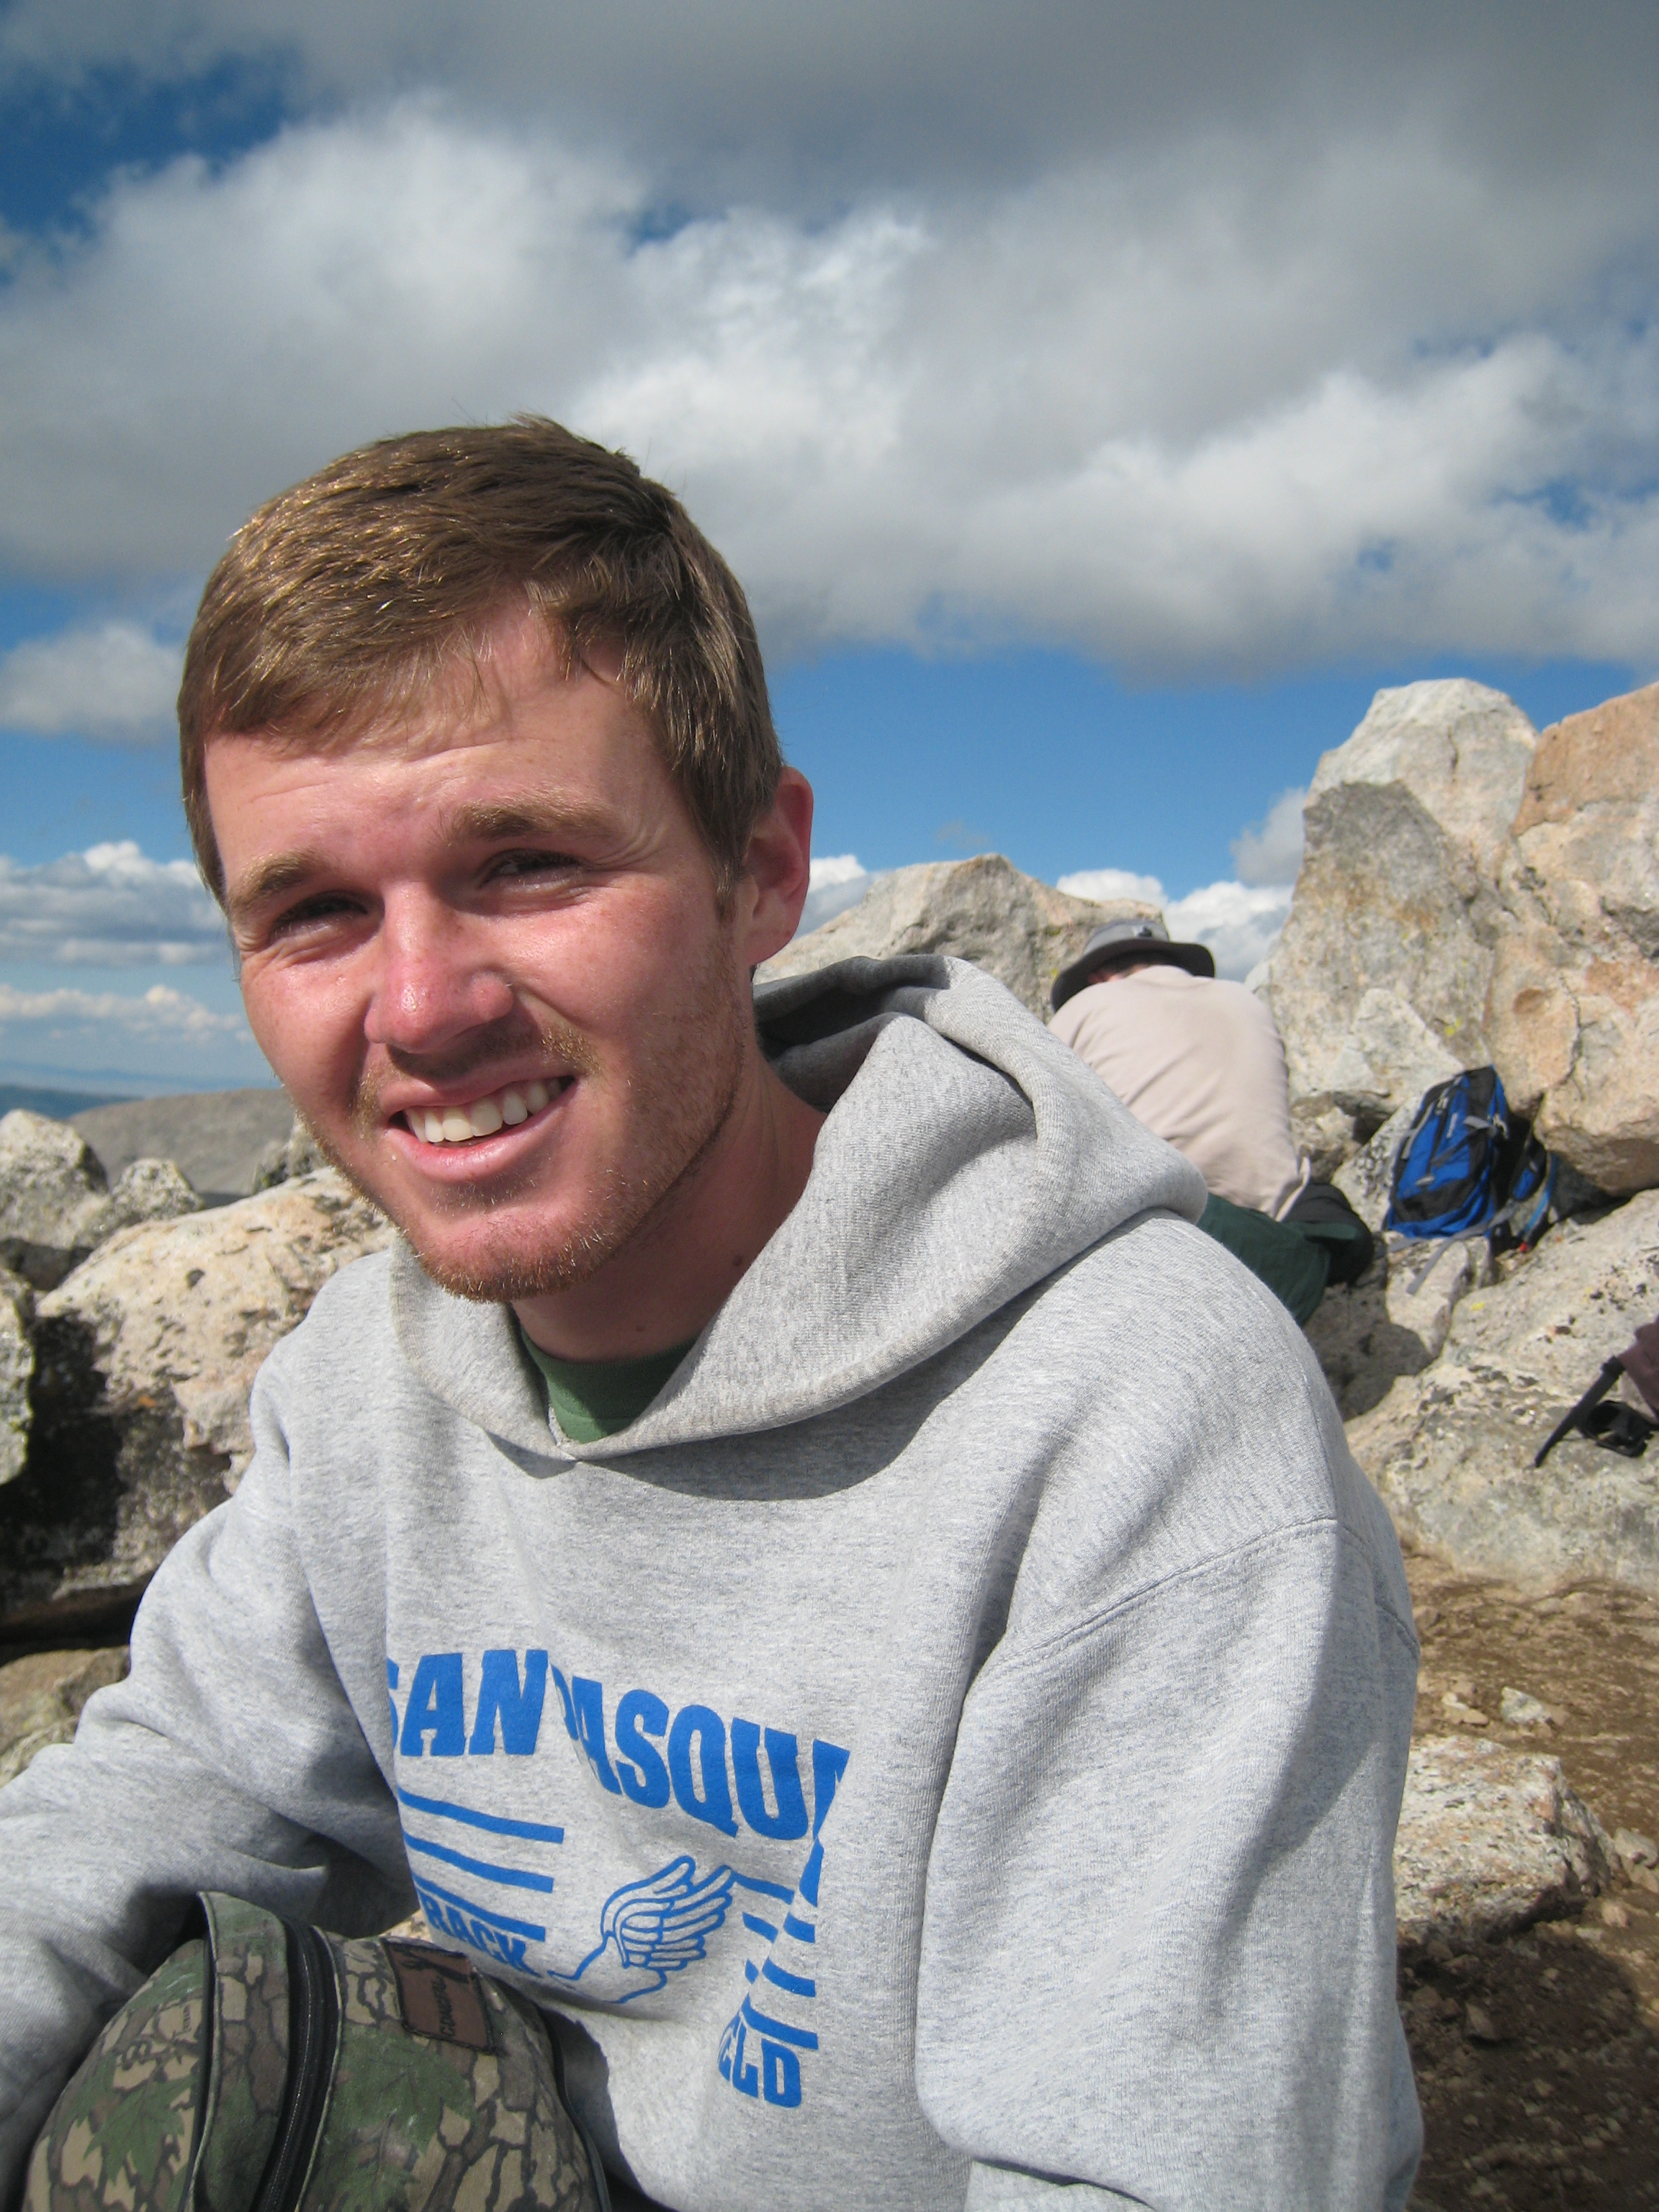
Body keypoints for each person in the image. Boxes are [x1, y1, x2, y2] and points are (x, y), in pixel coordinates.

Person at [0, 421, 1421, 2211]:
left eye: (524, 859)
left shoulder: (1136, 1419)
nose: (422, 1006)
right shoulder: (365, 1382)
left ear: (761, 869)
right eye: (316, 911)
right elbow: (141, 1807)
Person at [1050, 917, 1372, 1320]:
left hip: (1168, 1251)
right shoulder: (1245, 1000)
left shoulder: (1085, 1007)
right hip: (1281, 1262)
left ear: (1098, 976)